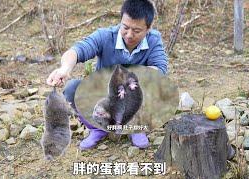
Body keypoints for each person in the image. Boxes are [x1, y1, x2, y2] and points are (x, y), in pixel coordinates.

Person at [46, 0, 168, 150]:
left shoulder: (154, 40)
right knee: (71, 89)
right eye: (125, 27)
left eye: (136, 31)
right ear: (121, 21)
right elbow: (77, 50)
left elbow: (160, 68)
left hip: (134, 94)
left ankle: (136, 127)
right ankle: (97, 128)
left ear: (148, 28)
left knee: (156, 85)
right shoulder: (105, 36)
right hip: (105, 95)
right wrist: (64, 68)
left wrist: (138, 78)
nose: (129, 35)